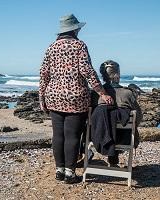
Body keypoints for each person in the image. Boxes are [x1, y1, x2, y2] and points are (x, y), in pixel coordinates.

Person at [39, 14, 113, 184]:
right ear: (74, 29)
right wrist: (102, 92)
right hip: (76, 97)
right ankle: (70, 174)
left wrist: (41, 97)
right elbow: (87, 71)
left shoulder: (51, 47)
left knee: (58, 135)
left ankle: (59, 171)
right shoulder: (79, 45)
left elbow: (43, 74)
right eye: (78, 28)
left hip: (54, 96)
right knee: (72, 135)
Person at [91, 60, 142, 166]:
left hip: (99, 137)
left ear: (102, 75)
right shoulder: (128, 93)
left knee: (104, 123)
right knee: (119, 125)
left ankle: (86, 155)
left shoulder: (96, 94)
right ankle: (114, 160)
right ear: (118, 74)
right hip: (124, 138)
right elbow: (138, 117)